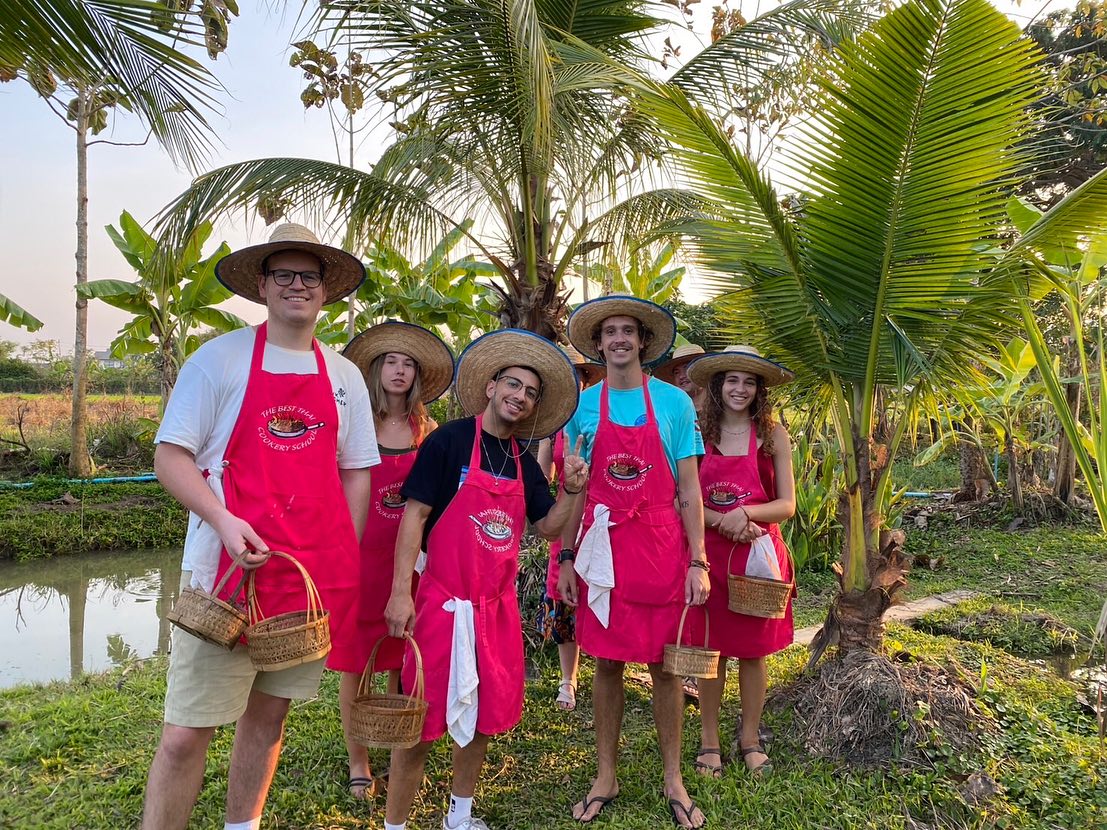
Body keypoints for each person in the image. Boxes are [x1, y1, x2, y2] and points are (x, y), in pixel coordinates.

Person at [142, 223, 379, 830]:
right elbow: (171, 457)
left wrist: (342, 551)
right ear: (264, 287)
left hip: (305, 584)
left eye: (309, 276)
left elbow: (355, 472)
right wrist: (222, 520)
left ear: (325, 291)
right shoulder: (219, 359)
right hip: (222, 580)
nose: (297, 286)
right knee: (183, 735)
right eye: (284, 275)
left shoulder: (345, 376)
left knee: (268, 718)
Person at [382, 329, 589, 830]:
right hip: (440, 604)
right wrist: (398, 594)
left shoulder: (522, 461)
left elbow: (547, 526)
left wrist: (574, 489)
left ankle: (460, 815)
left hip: (494, 610)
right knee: (419, 722)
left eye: (531, 392)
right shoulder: (449, 441)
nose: (520, 396)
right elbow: (414, 517)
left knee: (481, 717)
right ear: (492, 386)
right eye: (513, 385)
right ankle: (395, 825)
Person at [558, 296, 710, 830]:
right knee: (605, 664)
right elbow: (573, 488)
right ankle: (606, 775)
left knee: (666, 667)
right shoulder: (581, 407)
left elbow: (688, 487)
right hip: (602, 555)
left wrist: (699, 559)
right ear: (597, 344)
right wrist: (567, 557)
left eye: (628, 331)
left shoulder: (674, 404)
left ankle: (674, 777)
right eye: (609, 333)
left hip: (662, 550)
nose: (619, 339)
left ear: (643, 342)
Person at [330, 321, 455, 799]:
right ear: (377, 370)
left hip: (414, 562)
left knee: (403, 654)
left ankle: (398, 741)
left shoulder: (430, 431)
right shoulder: (354, 424)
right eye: (391, 362)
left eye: (408, 364)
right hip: (361, 556)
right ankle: (358, 759)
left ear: (418, 375)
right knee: (355, 660)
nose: (399, 371)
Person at [685, 345, 796, 780]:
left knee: (753, 654)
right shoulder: (697, 433)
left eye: (749, 382)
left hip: (758, 559)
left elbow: (786, 504)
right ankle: (709, 740)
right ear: (718, 385)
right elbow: (684, 498)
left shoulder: (773, 435)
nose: (740, 389)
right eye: (732, 380)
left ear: (759, 389)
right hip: (709, 557)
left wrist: (747, 513)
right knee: (711, 652)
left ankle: (749, 738)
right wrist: (722, 520)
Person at [535, 344, 606, 712]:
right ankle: (568, 678)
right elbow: (544, 476)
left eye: (577, 376)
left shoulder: (600, 417)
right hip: (567, 517)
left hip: (603, 518)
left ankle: (607, 667)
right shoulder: (553, 428)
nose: (572, 383)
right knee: (564, 595)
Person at [652, 341, 708, 703]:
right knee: (683, 599)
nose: (683, 375)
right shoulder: (669, 413)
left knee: (707, 601)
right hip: (677, 519)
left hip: (708, 516)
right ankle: (685, 672)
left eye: (690, 368)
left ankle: (701, 673)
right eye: (676, 369)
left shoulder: (720, 417)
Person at [652, 342, 706, 412]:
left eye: (686, 368)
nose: (681, 376)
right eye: (676, 372)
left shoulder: (720, 402)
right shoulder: (670, 410)